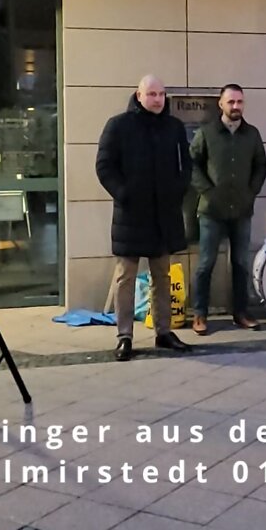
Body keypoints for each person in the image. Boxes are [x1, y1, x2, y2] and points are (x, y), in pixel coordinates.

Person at [95, 75, 193, 362]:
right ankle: (124, 336)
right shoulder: (118, 125)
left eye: (162, 94)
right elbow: (104, 165)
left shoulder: (174, 127)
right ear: (139, 96)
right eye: (152, 94)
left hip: (164, 214)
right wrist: (123, 193)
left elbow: (186, 164)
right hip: (131, 214)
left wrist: (178, 189)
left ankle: (163, 332)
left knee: (162, 275)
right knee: (125, 276)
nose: (158, 99)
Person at [188, 84, 266, 335]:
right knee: (205, 264)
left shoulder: (252, 134)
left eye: (239, 102)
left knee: (241, 263)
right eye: (231, 102)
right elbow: (192, 165)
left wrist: (250, 192)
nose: (236, 106)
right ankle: (200, 314)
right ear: (221, 104)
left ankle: (241, 313)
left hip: (242, 210)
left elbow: (261, 166)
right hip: (212, 210)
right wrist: (208, 192)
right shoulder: (206, 133)